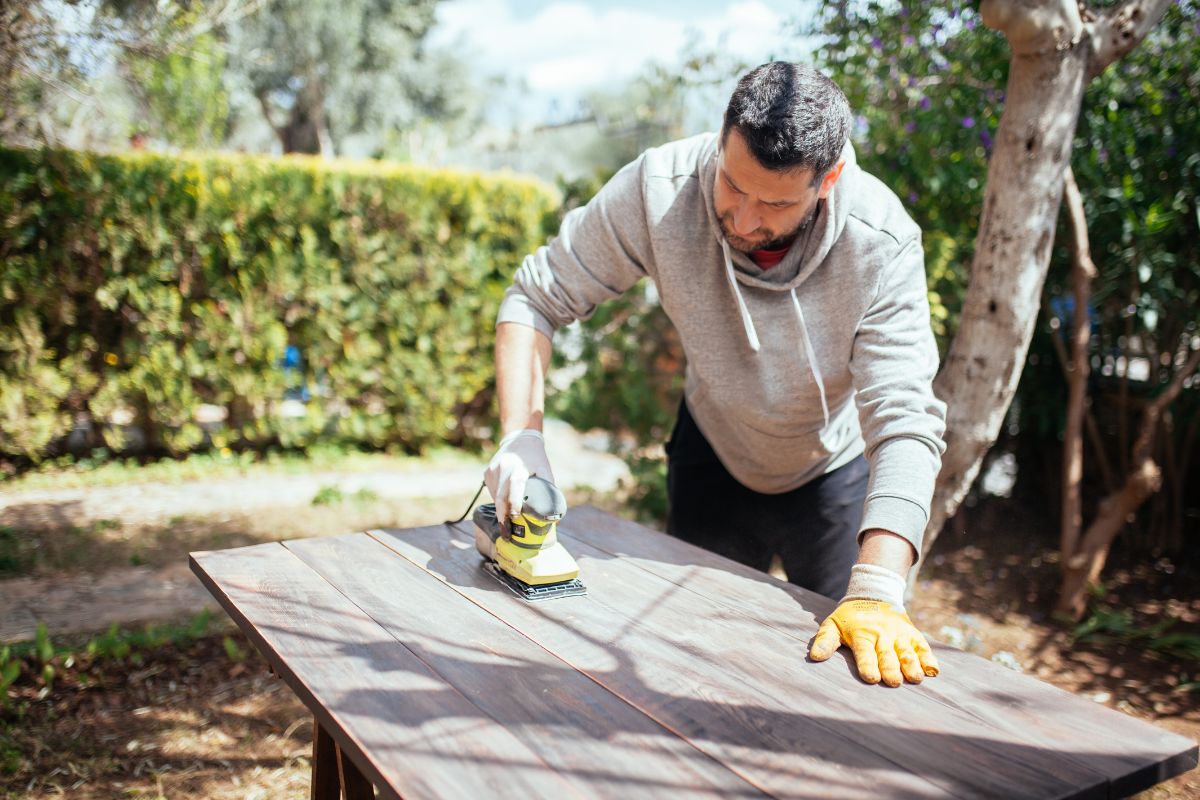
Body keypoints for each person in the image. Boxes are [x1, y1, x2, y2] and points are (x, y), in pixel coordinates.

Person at [484, 62, 946, 688]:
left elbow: (905, 422)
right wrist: (522, 437)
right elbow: (534, 298)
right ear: (722, 138)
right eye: (733, 185)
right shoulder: (658, 189)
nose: (745, 219)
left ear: (828, 180)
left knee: (846, 673)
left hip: (832, 473)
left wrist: (879, 587)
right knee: (688, 667)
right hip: (713, 456)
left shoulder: (881, 242)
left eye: (776, 202)